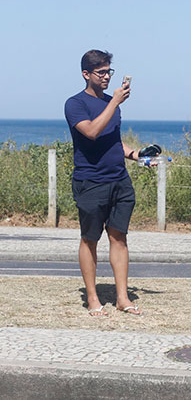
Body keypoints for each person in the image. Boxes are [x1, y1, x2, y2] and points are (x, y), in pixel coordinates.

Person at [64, 49, 144, 317]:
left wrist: (137, 155)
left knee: (119, 237)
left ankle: (122, 298)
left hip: (119, 181)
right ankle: (92, 298)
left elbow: (113, 141)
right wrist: (115, 103)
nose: (107, 77)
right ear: (86, 74)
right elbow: (91, 132)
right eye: (101, 72)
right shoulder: (75, 104)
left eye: (109, 71)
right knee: (90, 239)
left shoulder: (112, 104)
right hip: (90, 182)